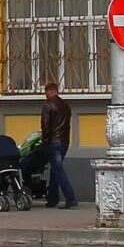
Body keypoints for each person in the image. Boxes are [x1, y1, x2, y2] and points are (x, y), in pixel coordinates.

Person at [39, 80, 78, 209]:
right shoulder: (66, 106)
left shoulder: (48, 106)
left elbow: (46, 125)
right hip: (64, 142)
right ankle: (52, 198)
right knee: (55, 169)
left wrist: (44, 139)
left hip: (53, 142)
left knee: (58, 170)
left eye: (46, 92)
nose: (45, 95)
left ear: (50, 92)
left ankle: (70, 198)